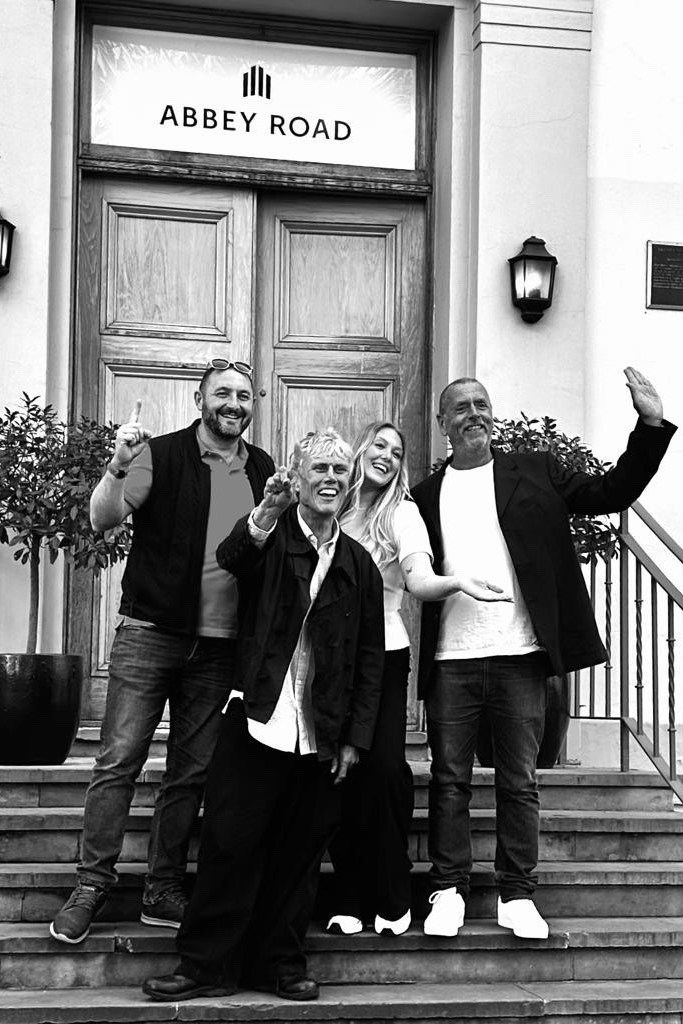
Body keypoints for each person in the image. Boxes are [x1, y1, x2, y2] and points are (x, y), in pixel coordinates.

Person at [411, 366, 676, 941]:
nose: (474, 413)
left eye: (481, 402)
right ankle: (449, 888)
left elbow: (610, 492)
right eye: (460, 407)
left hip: (519, 655)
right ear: (442, 424)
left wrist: (650, 425)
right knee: (449, 777)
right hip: (451, 658)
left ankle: (517, 892)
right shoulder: (424, 495)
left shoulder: (533, 471)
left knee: (519, 780)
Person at [142, 428, 385, 1003]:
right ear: (296, 478)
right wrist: (263, 514)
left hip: (321, 734)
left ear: (350, 484)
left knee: (299, 856)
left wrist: (355, 737)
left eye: (339, 470)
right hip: (256, 717)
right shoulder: (271, 535)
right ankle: (202, 967)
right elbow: (232, 557)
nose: (330, 478)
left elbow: (369, 660)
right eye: (318, 468)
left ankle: (277, 965)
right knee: (229, 845)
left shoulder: (360, 565)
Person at [49, 359, 275, 944]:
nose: (233, 403)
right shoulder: (163, 454)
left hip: (222, 645)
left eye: (244, 395)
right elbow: (103, 519)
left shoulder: (263, 469)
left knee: (190, 772)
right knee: (118, 759)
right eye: (222, 393)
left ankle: (163, 887)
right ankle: (92, 884)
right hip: (151, 634)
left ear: (254, 405)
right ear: (200, 400)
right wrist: (117, 464)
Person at [326, 421, 510, 937]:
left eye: (396, 450)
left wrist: (458, 583)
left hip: (382, 657)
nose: (386, 455)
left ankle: (393, 891)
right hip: (328, 664)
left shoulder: (402, 513)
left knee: (383, 769)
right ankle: (351, 895)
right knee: (338, 776)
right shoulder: (333, 505)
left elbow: (418, 579)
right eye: (379, 445)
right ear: (361, 449)